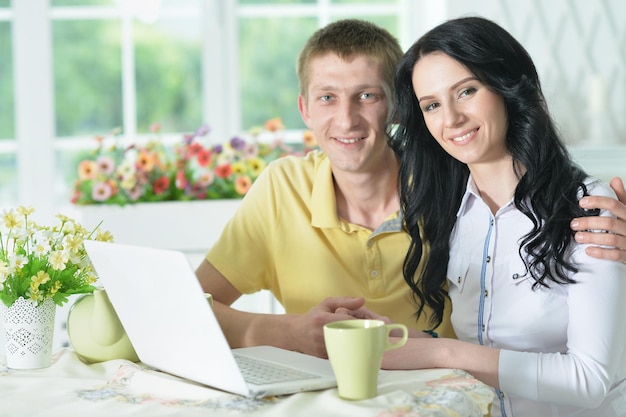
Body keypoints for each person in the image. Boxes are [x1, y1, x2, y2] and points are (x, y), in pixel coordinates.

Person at [196, 18, 626, 360]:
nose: (346, 120)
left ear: (398, 107)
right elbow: (189, 307)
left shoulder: (457, 176)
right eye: (327, 97)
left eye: (367, 95)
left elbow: (555, 211)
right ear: (304, 108)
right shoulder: (282, 187)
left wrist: (608, 234)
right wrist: (284, 331)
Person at [384, 16, 626, 416]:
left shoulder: (587, 208)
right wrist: (389, 337)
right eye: (431, 105)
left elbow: (589, 381)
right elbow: (486, 350)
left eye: (466, 91)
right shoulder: (450, 212)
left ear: (506, 87)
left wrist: (442, 352)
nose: (451, 119)